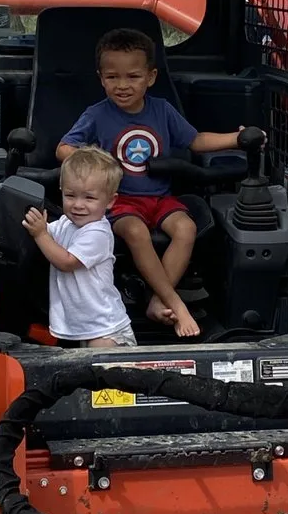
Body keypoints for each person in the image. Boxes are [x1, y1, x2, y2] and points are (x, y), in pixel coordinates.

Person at [56, 27, 263, 339]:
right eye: (112, 77)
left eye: (133, 77)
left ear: (151, 77)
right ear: (101, 78)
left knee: (186, 228)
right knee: (136, 231)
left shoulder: (162, 110)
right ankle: (174, 302)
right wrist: (100, 163)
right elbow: (64, 149)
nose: (122, 85)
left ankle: (156, 300)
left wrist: (238, 138)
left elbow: (196, 140)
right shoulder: (96, 115)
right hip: (120, 202)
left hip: (160, 197)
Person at [22, 145, 136, 349]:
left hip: (106, 329)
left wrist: (39, 234)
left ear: (111, 201)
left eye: (89, 198)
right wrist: (32, 224)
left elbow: (67, 261)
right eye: (70, 195)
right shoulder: (67, 223)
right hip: (84, 327)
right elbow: (47, 233)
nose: (78, 205)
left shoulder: (97, 232)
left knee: (105, 374)